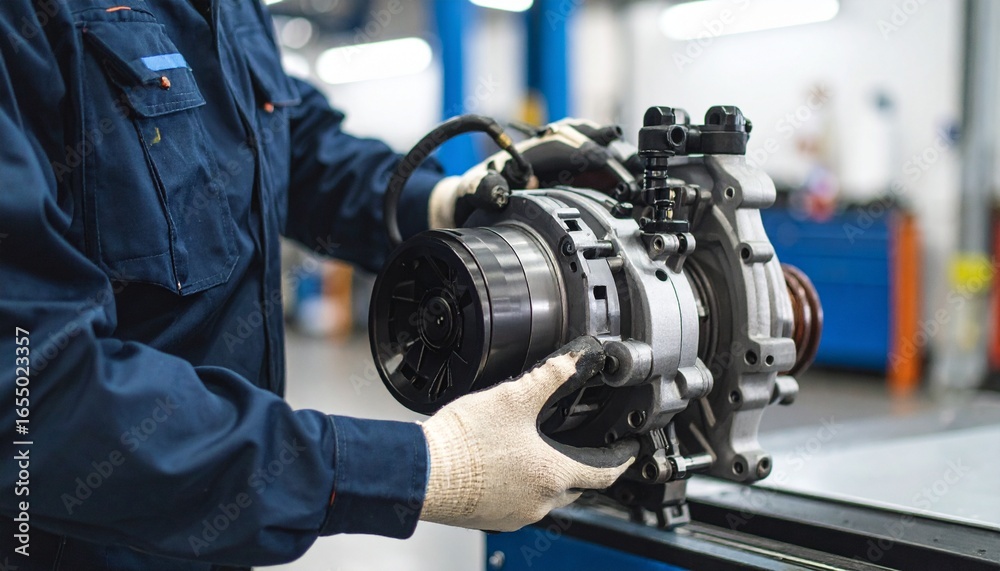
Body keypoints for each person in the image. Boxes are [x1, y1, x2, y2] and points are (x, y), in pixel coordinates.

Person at [0, 1, 635, 568]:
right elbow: (33, 398)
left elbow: (294, 147)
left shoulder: (230, 13)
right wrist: (425, 468)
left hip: (218, 538)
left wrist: (446, 200)